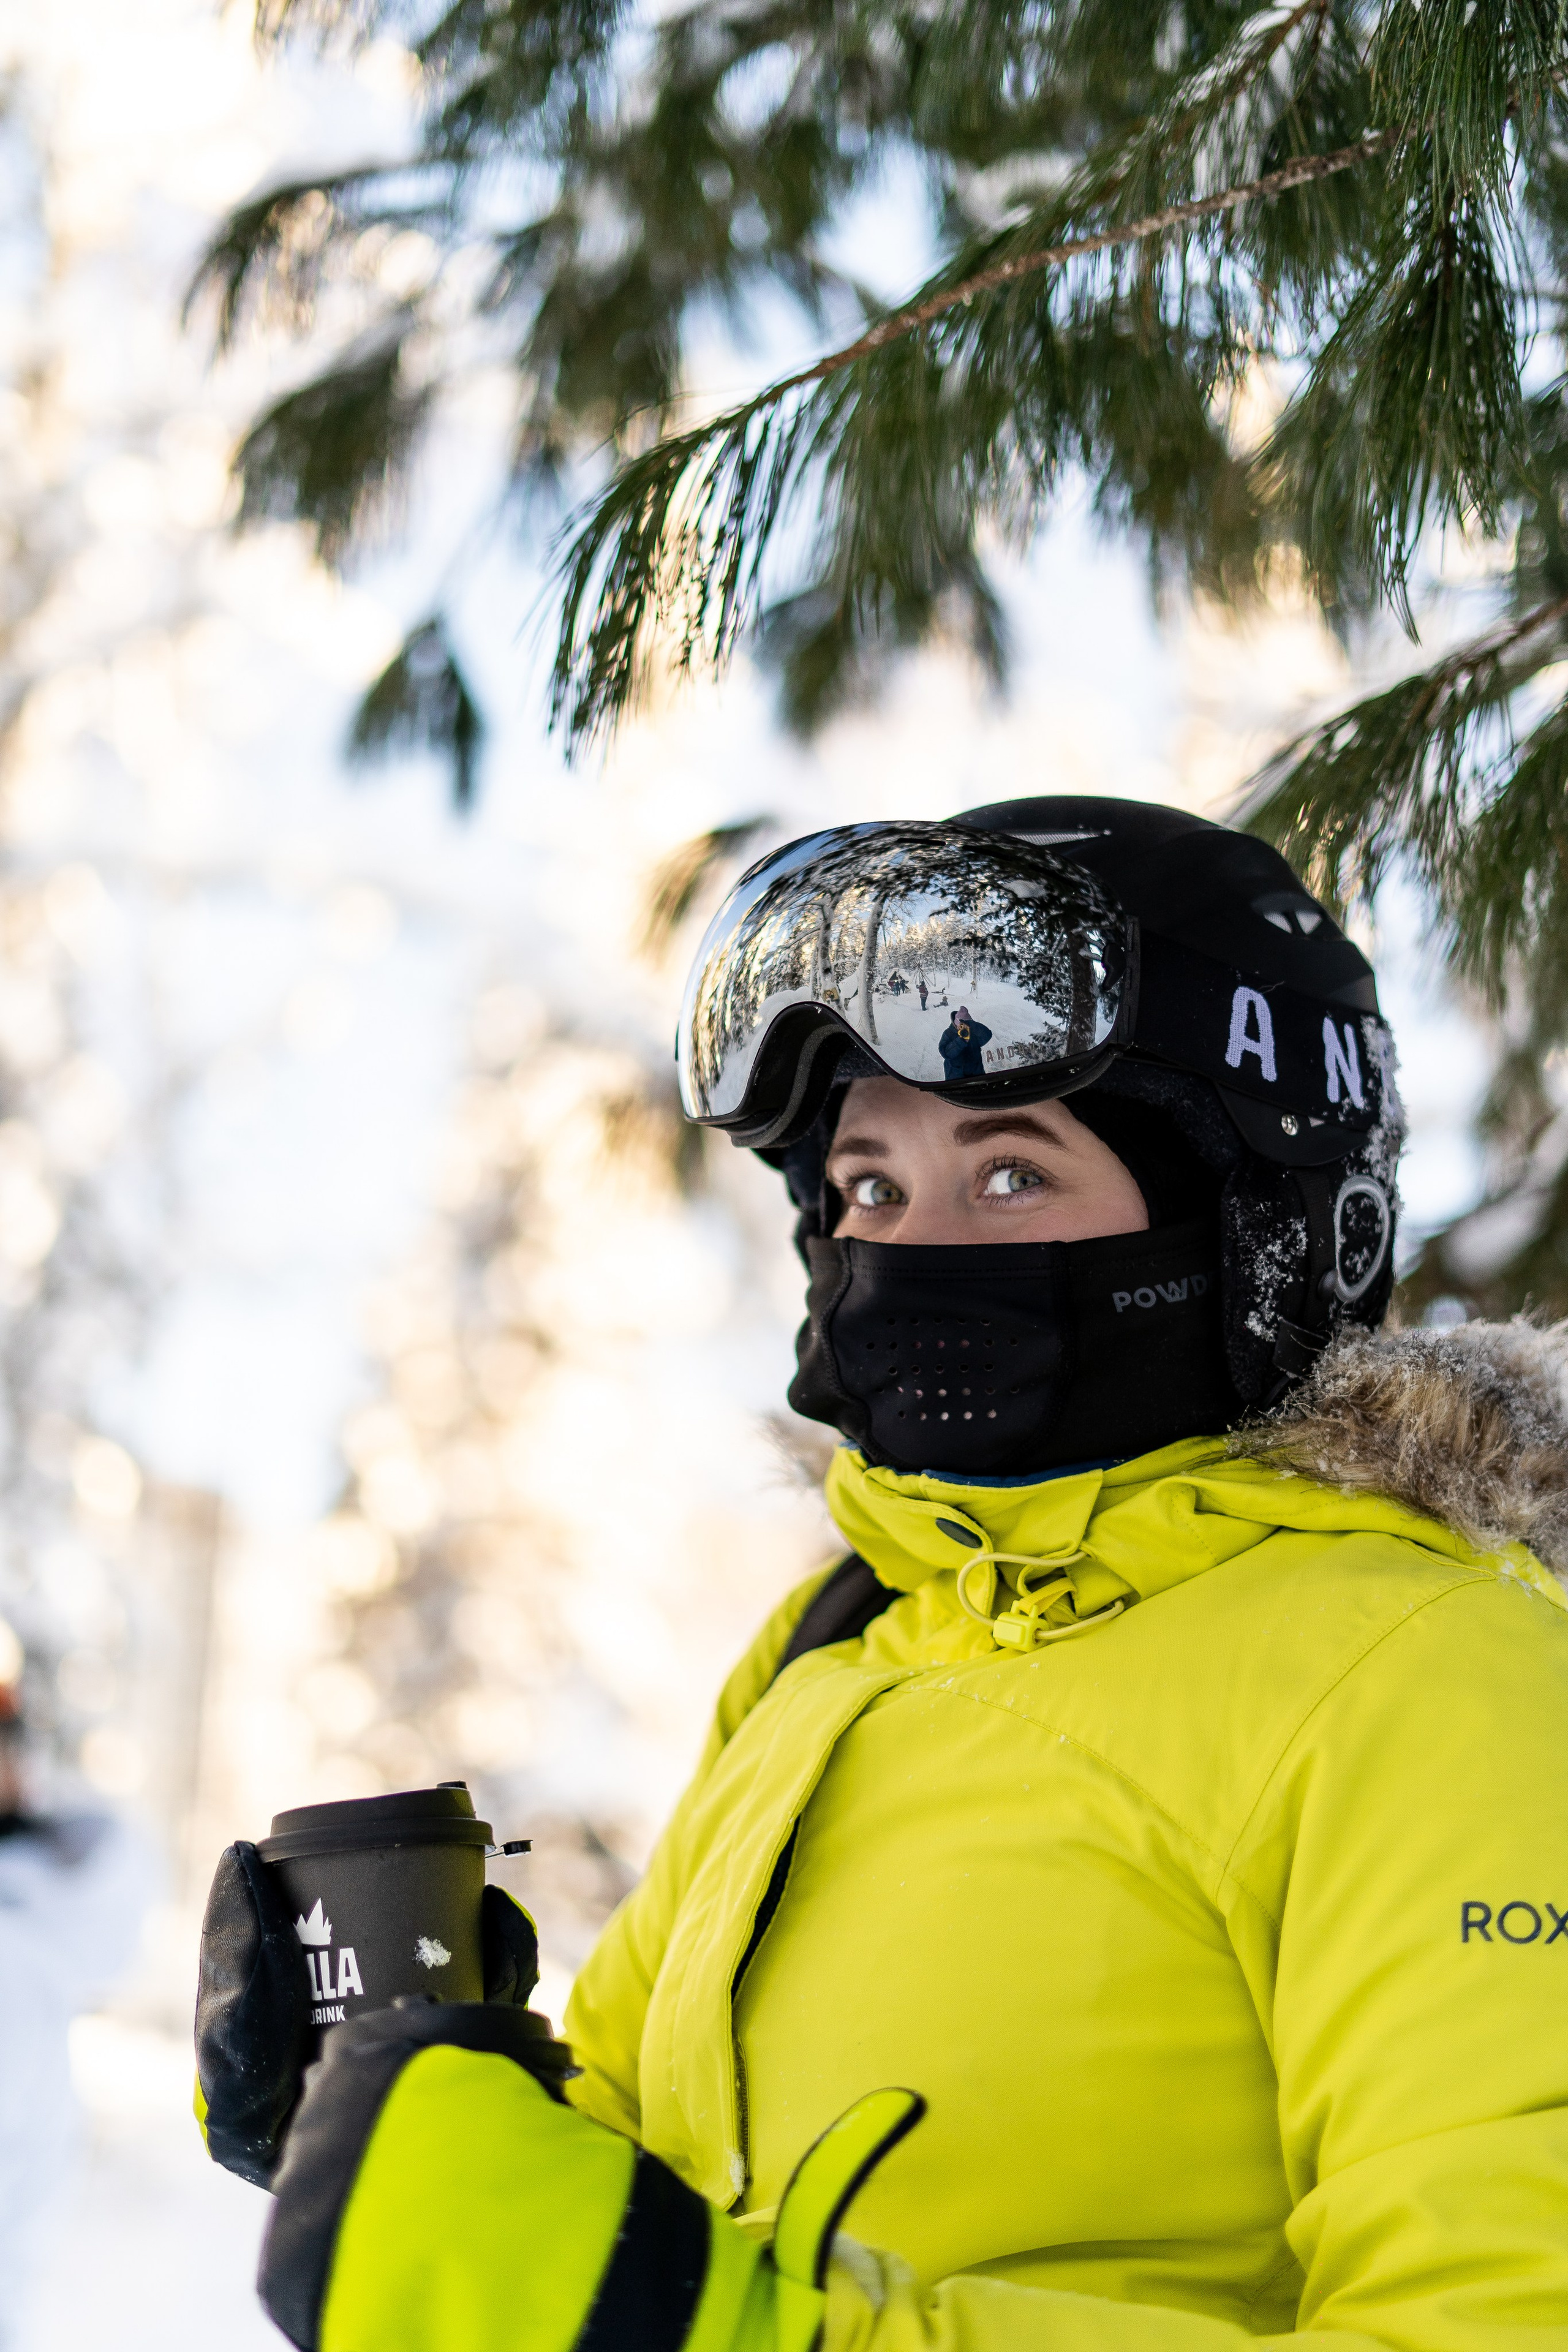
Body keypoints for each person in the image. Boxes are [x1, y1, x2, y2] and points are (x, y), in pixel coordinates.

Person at [197, 797, 1568, 2352]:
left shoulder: (1428, 1672)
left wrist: (723, 2327)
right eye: (865, 1187)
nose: (911, 1249)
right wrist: (430, 2126)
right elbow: (685, 2199)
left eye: (1007, 1175)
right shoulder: (844, 1643)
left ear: (1242, 1217)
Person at [936, 1000, 991, 1079]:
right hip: (956, 1078)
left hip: (977, 1076)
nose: (964, 1028)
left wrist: (973, 1025)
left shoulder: (974, 1033)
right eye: (961, 1026)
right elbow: (945, 1053)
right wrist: (961, 1041)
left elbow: (987, 1035)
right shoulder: (948, 1033)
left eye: (966, 1025)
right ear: (956, 1024)